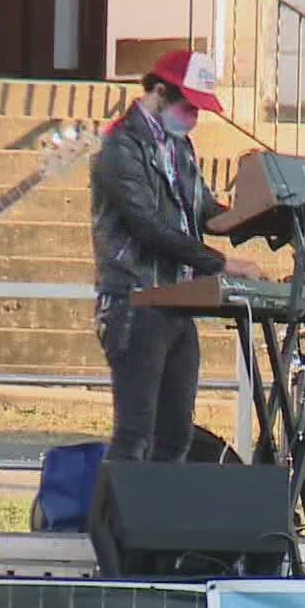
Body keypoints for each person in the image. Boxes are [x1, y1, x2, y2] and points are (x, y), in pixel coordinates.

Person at [90, 49, 261, 463]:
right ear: (160, 93)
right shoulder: (119, 146)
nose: (194, 117)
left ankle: (157, 523)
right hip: (134, 299)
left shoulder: (179, 147)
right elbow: (148, 228)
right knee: (134, 435)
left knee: (175, 436)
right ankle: (113, 525)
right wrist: (221, 264)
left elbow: (202, 211)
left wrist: (261, 216)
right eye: (189, 106)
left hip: (175, 302)